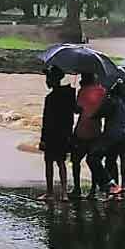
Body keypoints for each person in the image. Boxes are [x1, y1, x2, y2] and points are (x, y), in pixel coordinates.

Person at [86, 80, 125, 200]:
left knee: (92, 158)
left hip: (112, 135)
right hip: (124, 135)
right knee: (111, 161)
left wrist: (103, 99)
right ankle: (115, 192)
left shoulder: (112, 101)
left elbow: (99, 113)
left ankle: (109, 184)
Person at [39, 66, 76, 201]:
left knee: (49, 162)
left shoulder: (50, 98)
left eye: (48, 78)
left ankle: (50, 192)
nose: (47, 81)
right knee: (61, 162)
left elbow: (46, 120)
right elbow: (75, 112)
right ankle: (64, 193)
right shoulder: (69, 95)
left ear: (52, 80)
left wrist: (43, 138)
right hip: (65, 134)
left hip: (51, 134)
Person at [69, 72, 106, 199]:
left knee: (75, 161)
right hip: (96, 131)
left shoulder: (82, 91)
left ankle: (77, 188)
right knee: (94, 162)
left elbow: (76, 110)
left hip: (81, 130)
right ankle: (93, 190)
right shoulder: (103, 91)